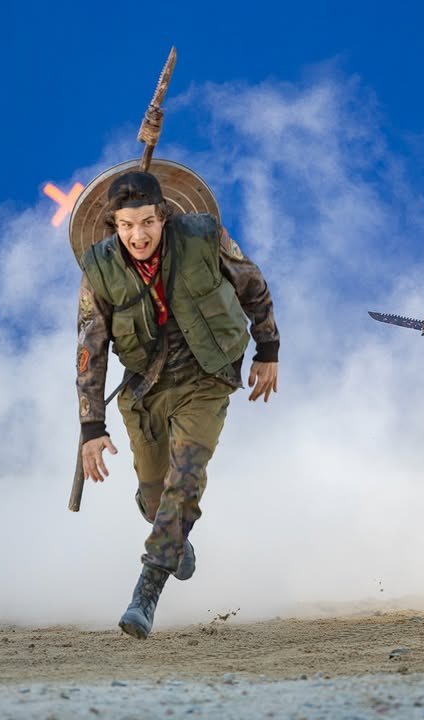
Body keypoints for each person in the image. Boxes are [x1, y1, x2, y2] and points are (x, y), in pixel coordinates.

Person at [75, 170, 279, 638]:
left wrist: (268, 349)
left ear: (163, 217)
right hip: (145, 388)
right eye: (126, 225)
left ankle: (146, 592)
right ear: (114, 225)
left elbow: (253, 286)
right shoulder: (99, 270)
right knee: (157, 499)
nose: (138, 236)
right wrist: (91, 428)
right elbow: (90, 350)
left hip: (207, 376)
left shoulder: (203, 237)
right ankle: (172, 532)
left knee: (184, 478)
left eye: (147, 222)